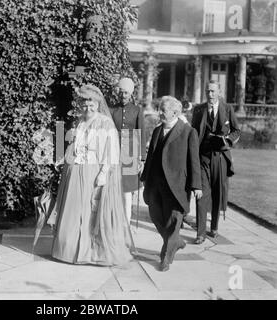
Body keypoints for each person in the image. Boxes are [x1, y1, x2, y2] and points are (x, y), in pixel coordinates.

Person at [51, 84, 134, 266]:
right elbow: (74, 146)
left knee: (90, 212)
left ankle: (91, 252)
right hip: (75, 173)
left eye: (91, 105)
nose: (88, 108)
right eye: (85, 105)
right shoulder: (79, 122)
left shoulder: (104, 123)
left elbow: (111, 151)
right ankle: (70, 251)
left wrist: (104, 173)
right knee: (73, 212)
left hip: (92, 172)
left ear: (98, 104)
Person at [140, 96, 202, 271]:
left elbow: (194, 161)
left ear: (175, 112)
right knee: (156, 215)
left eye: (163, 110)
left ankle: (165, 258)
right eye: (159, 109)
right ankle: (176, 242)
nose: (159, 112)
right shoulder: (158, 130)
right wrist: (144, 177)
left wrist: (196, 185)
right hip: (155, 183)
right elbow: (151, 156)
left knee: (174, 221)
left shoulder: (189, 132)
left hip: (177, 186)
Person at [191, 80, 241, 244]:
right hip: (203, 157)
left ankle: (214, 227)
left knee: (217, 192)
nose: (210, 95)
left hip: (220, 158)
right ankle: (200, 233)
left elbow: (236, 131)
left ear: (219, 92)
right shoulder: (199, 110)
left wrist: (228, 140)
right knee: (201, 194)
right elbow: (193, 132)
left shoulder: (228, 109)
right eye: (207, 91)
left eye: (213, 91)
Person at [109, 78, 146, 225]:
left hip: (130, 152)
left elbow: (141, 134)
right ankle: (115, 221)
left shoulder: (137, 111)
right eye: (121, 92)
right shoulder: (113, 110)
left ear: (131, 94)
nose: (123, 95)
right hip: (114, 151)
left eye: (126, 93)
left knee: (127, 191)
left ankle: (126, 223)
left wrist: (141, 158)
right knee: (114, 187)